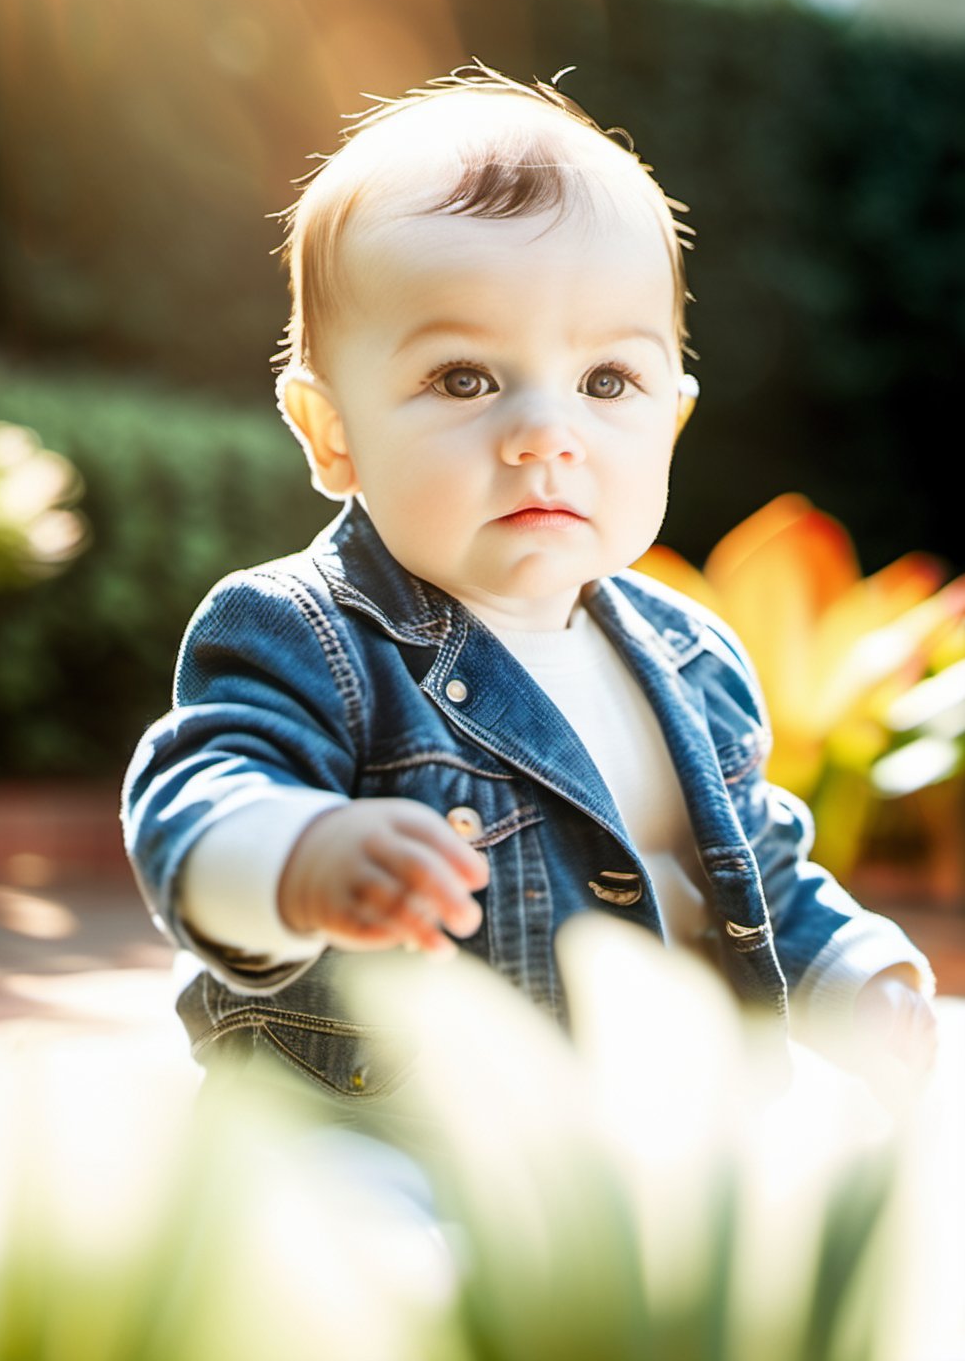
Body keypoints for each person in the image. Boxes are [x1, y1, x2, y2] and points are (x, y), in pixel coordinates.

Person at [122, 63, 936, 1106]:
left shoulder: (695, 662)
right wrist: (299, 856)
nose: (548, 433)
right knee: (372, 1248)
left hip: (643, 1141)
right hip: (391, 1138)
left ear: (671, 422)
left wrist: (857, 979)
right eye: (465, 378)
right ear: (333, 435)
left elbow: (760, 878)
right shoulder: (302, 635)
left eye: (608, 382)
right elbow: (194, 805)